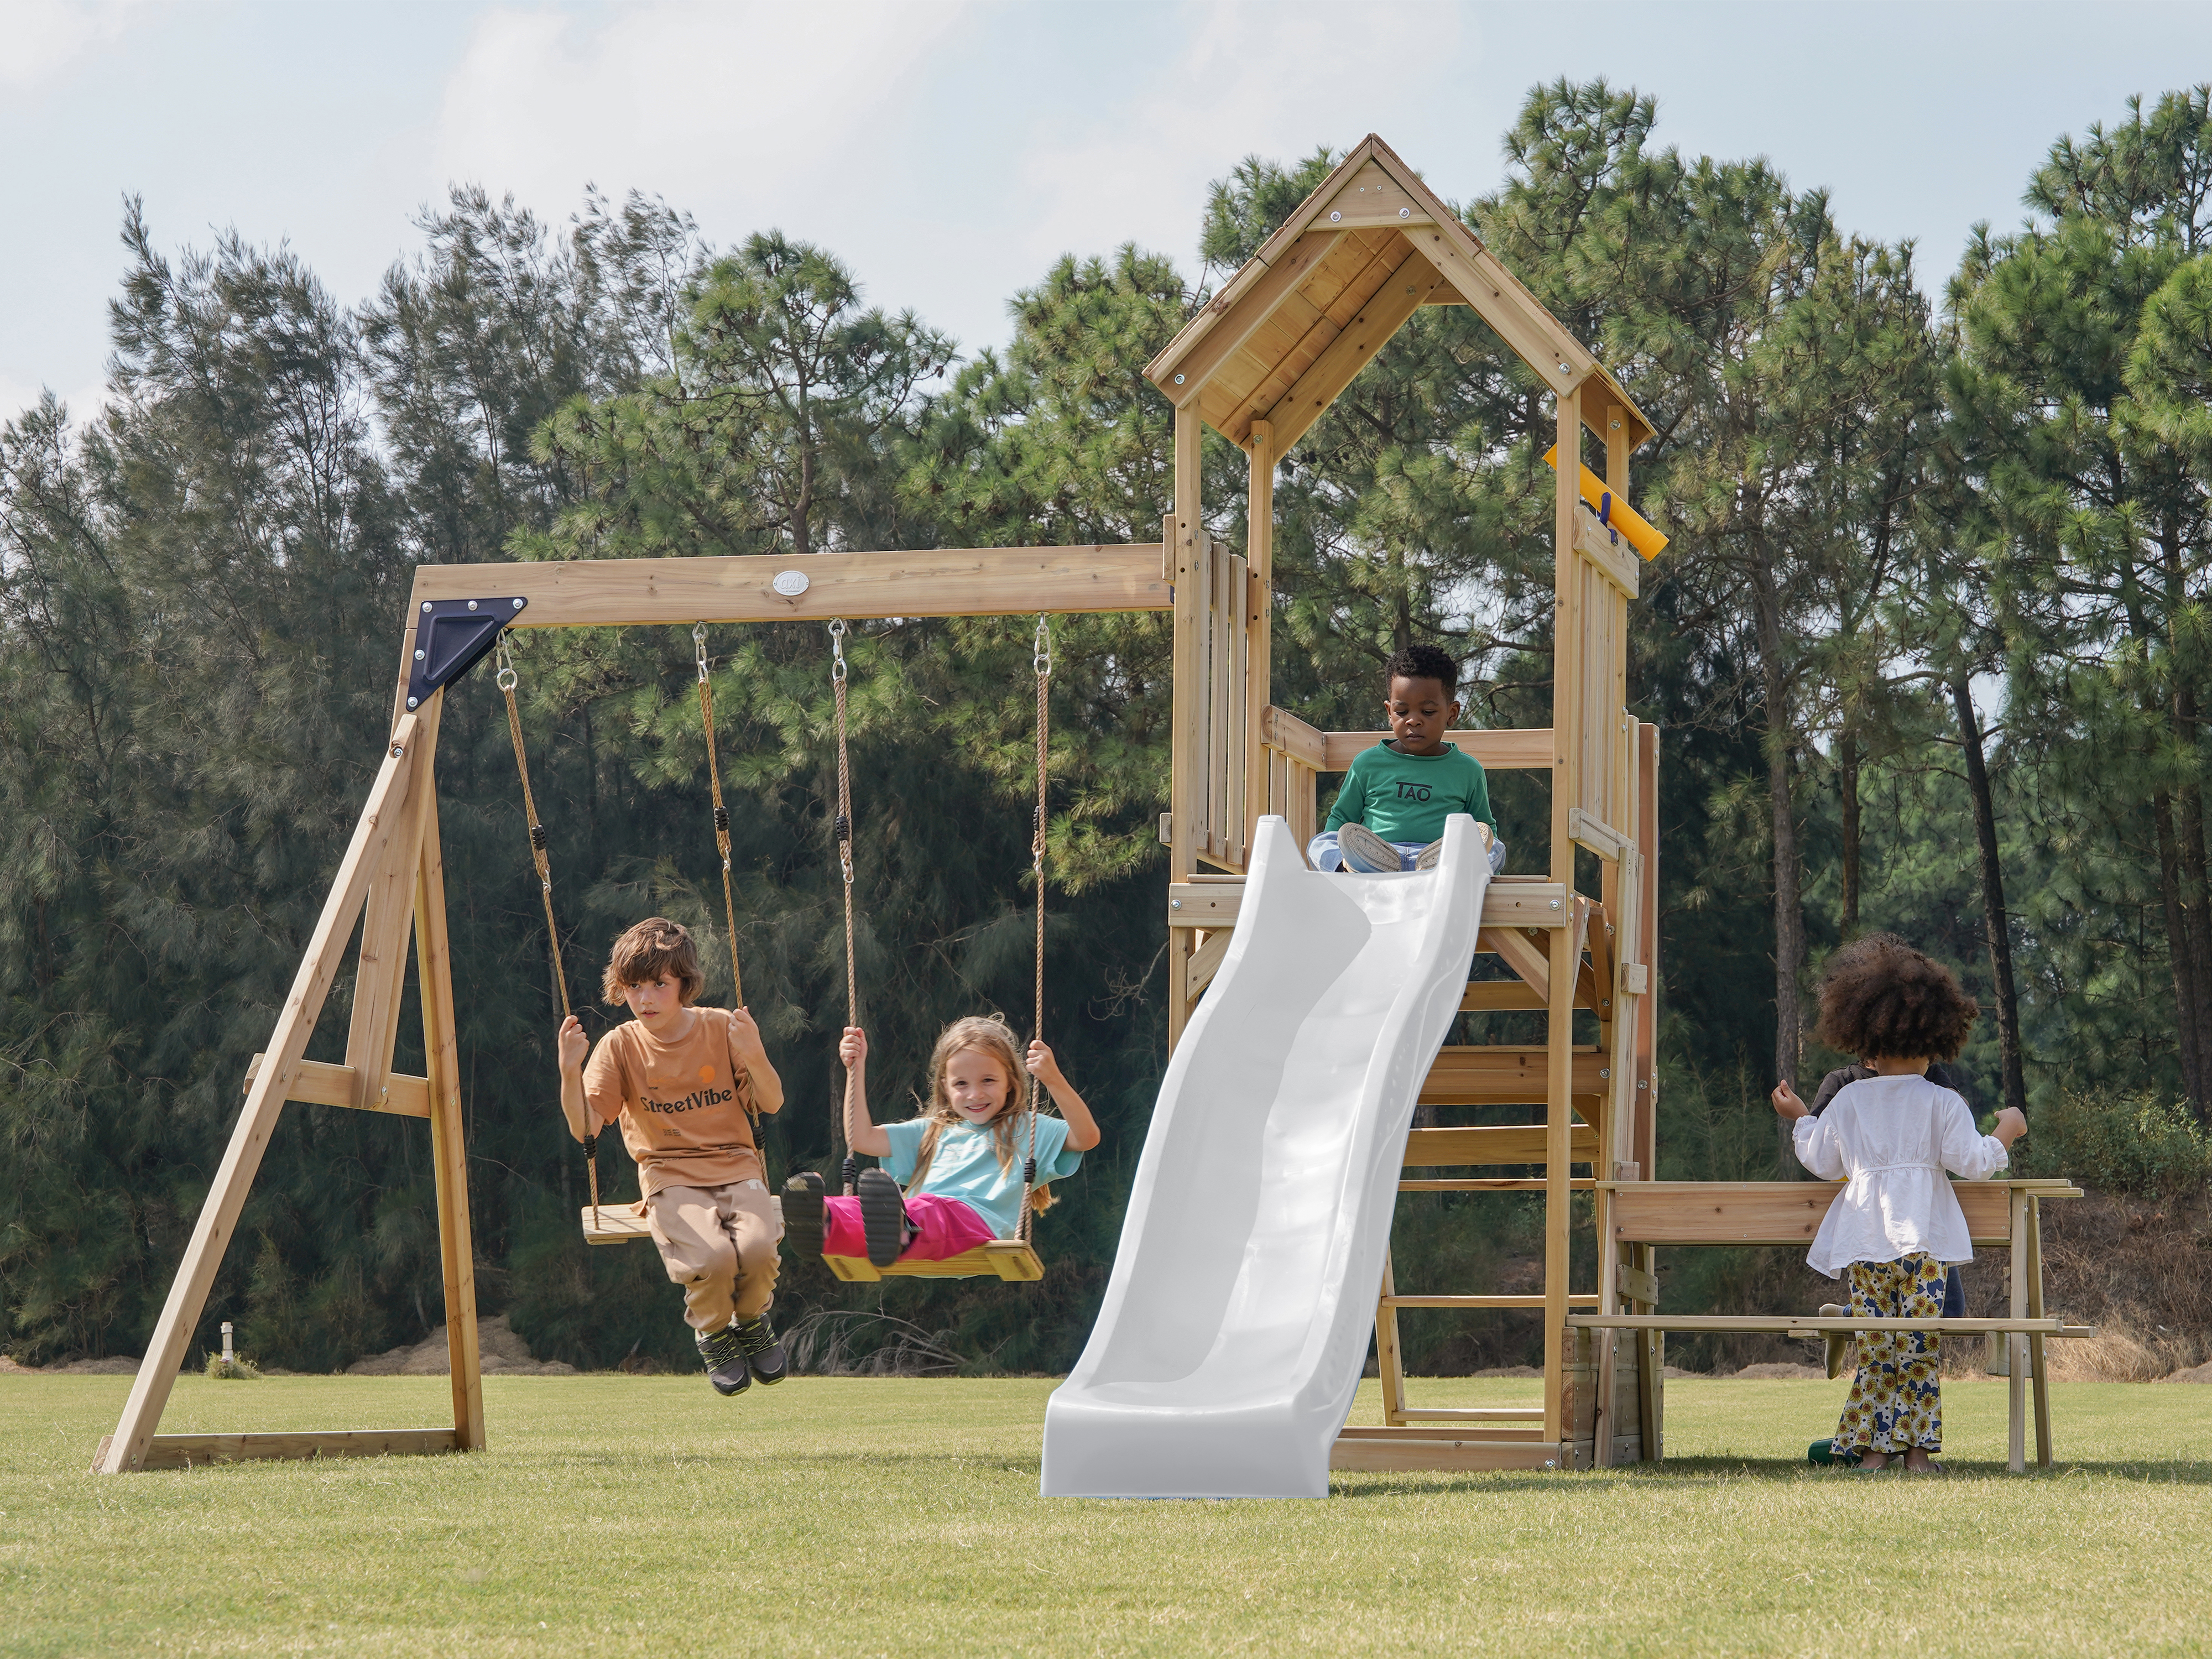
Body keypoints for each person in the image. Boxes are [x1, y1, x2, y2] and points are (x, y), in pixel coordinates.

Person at [1771, 935, 2026, 1473]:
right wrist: (2006, 1130)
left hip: (1865, 1245)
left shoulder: (1847, 1099)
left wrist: (1800, 1118)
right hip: (1922, 1246)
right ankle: (1915, 1456)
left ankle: (1869, 1455)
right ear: (1936, 1039)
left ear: (1865, 1037)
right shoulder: (1941, 1102)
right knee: (1917, 1353)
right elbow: (1975, 1162)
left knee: (1876, 1353)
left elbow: (1820, 1160)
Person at [556, 917, 788, 1397]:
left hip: (737, 1164)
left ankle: (750, 1320)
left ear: (684, 983)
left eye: (659, 985)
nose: (645, 999)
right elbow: (585, 1127)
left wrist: (755, 1051)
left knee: (761, 1250)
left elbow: (772, 1102)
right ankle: (714, 1332)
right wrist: (568, 1071)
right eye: (634, 987)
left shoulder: (722, 1028)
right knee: (713, 1256)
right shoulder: (619, 1047)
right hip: (669, 1174)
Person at [781, 1015, 1099, 1270]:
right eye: (962, 1084)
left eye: (988, 1080)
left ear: (1011, 1082)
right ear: (946, 1089)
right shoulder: (934, 1132)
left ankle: (899, 1231)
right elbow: (861, 1138)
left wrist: (1053, 1079)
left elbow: (1086, 1138)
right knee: (861, 1209)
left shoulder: (1026, 1129)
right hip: (917, 1218)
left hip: (974, 1226)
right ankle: (824, 1221)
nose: (975, 1094)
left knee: (931, 1209)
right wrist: (856, 1069)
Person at [1306, 643, 1505, 875]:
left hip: (1439, 857)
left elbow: (1484, 828)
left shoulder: (1468, 769)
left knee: (1496, 848)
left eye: (1428, 712)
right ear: (1389, 713)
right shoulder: (1367, 763)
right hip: (1377, 857)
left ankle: (1451, 868)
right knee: (1318, 844)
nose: (1413, 721)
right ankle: (1347, 870)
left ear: (1452, 714)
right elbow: (1341, 818)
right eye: (1402, 712)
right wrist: (1339, 857)